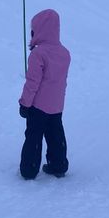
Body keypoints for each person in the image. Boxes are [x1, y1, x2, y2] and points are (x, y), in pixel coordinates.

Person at [18, 9, 71, 180]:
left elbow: (32, 82)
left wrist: (25, 103)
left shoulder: (38, 54)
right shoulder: (64, 53)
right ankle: (59, 164)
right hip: (57, 105)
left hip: (38, 105)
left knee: (33, 136)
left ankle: (29, 169)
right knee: (56, 134)